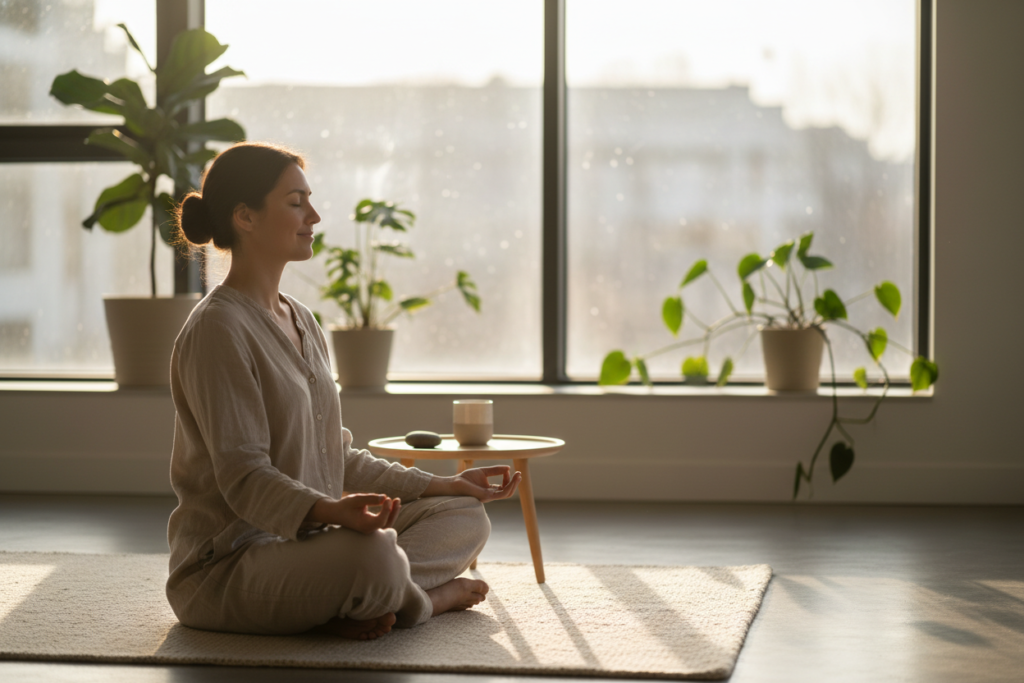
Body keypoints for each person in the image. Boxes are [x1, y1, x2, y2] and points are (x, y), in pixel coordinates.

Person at [166, 141, 521, 640]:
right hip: (227, 568)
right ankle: (424, 603)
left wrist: (446, 485)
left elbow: (338, 455)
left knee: (464, 516)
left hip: (312, 545)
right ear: (245, 217)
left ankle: (361, 601)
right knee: (374, 553)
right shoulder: (216, 330)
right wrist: (333, 511)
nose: (314, 215)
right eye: (295, 202)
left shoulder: (303, 320)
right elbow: (244, 477)